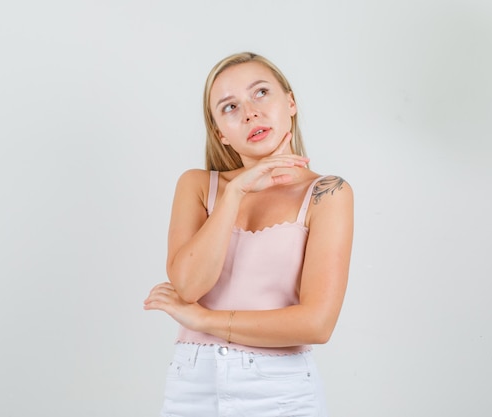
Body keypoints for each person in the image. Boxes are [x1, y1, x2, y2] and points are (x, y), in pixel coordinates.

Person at [143, 51, 354, 417]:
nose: (250, 113)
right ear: (219, 134)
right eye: (229, 107)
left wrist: (203, 320)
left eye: (260, 93)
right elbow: (189, 286)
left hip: (281, 390)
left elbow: (317, 324)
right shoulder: (196, 186)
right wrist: (236, 192)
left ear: (290, 102)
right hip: (192, 388)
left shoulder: (327, 193)